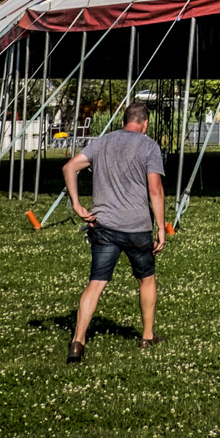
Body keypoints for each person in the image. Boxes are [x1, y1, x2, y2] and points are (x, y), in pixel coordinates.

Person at [61, 100, 167, 364]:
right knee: (146, 279)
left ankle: (78, 340)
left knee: (96, 282)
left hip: (104, 225)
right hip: (137, 227)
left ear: (123, 121)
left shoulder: (102, 141)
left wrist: (76, 204)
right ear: (145, 124)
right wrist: (162, 227)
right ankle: (147, 335)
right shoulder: (149, 146)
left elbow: (69, 167)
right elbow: (155, 190)